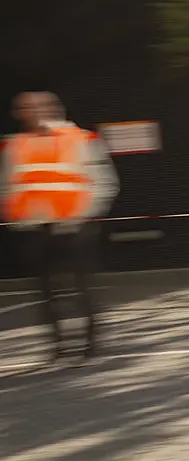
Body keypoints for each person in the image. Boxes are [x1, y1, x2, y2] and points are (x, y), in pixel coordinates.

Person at [1, 91, 119, 359]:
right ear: (18, 113)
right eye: (27, 107)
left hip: (75, 227)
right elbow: (7, 184)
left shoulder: (82, 139)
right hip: (34, 228)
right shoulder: (15, 144)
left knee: (82, 287)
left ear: (55, 108)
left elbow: (104, 182)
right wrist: (15, 217)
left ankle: (90, 343)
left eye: (40, 106)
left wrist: (84, 215)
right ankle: (58, 344)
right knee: (45, 291)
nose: (34, 111)